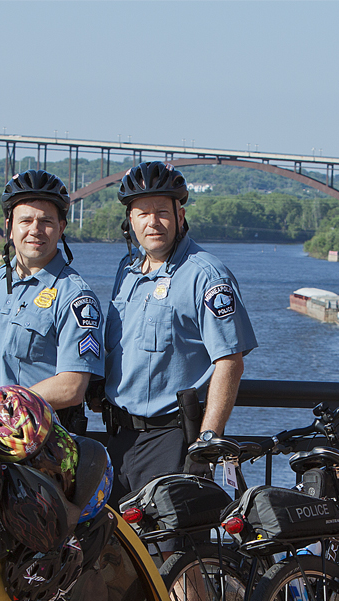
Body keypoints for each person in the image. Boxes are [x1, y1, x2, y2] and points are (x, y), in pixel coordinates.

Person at [101, 161, 257, 509]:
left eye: (162, 212)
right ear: (131, 221)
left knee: (170, 554)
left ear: (180, 215)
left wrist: (205, 443)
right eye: (142, 213)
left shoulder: (206, 275)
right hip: (119, 439)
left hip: (171, 440)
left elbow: (230, 361)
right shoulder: (126, 272)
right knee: (116, 555)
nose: (152, 222)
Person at [0, 170, 103, 431]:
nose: (35, 230)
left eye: (46, 221)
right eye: (25, 220)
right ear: (9, 227)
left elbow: (72, 386)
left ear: (61, 228)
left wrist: (2, 409)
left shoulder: (76, 297)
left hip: (35, 442)